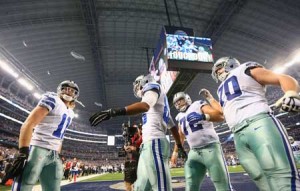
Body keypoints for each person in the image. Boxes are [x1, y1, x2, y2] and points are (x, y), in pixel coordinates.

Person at [206, 56, 300, 191]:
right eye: (216, 72)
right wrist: (210, 99)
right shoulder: (220, 89)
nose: (218, 73)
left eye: (219, 69)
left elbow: (282, 78)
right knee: (260, 179)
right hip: (238, 134)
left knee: (281, 176)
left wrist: (291, 93)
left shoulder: (244, 69)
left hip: (259, 123)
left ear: (230, 64)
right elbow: (224, 111)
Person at [90, 74, 187, 191]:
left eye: (137, 85)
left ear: (144, 82)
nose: (136, 88)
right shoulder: (161, 102)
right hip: (148, 146)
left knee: (161, 187)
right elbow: (173, 127)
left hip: (154, 143)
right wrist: (180, 145)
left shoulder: (153, 87)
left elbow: (145, 106)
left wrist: (114, 112)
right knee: (141, 187)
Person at [2, 80, 80, 191]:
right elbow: (28, 124)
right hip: (38, 148)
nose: (68, 92)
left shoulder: (70, 113)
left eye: (72, 91)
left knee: (53, 187)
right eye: (66, 88)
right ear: (60, 89)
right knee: (25, 183)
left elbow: (61, 136)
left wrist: (57, 154)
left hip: (53, 154)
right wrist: (23, 153)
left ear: (75, 95)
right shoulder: (53, 99)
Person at [171, 92, 234, 191]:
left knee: (222, 185)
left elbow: (220, 116)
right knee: (191, 185)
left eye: (180, 100)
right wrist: (175, 152)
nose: (178, 103)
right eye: (176, 103)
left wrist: (204, 116)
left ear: (187, 98)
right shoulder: (179, 116)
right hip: (194, 152)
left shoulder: (197, 104)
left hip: (210, 148)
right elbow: (180, 135)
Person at [124, 125, 142, 191]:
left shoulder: (142, 138)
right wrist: (126, 147)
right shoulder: (130, 139)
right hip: (130, 162)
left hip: (138, 162)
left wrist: (134, 148)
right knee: (128, 184)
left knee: (137, 183)